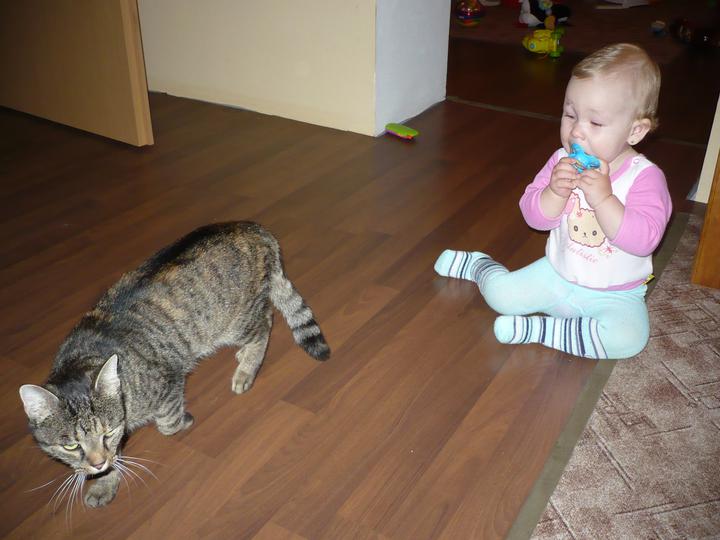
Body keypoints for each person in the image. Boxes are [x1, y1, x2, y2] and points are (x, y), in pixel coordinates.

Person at [434, 43, 671, 360]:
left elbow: (643, 241)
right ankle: (479, 266)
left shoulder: (644, 178)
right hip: (556, 275)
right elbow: (533, 216)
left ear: (635, 131)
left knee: (628, 339)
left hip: (616, 295)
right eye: (570, 115)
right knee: (502, 296)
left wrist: (603, 198)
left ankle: (537, 330)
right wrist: (555, 193)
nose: (576, 132)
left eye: (595, 123)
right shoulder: (562, 160)